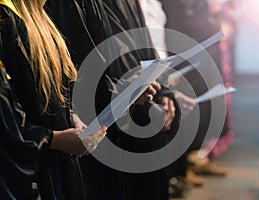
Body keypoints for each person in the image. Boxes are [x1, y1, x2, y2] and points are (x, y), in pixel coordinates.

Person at [45, 0, 181, 199]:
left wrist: (164, 92)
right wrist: (123, 91)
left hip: (142, 120)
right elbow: (78, 71)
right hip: (105, 130)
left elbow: (146, 48)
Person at [0, 1, 105, 199]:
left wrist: (70, 117)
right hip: (33, 174)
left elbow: (49, 97)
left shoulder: (38, 15)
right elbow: (7, 117)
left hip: (60, 165)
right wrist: (54, 138)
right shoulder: (5, 17)